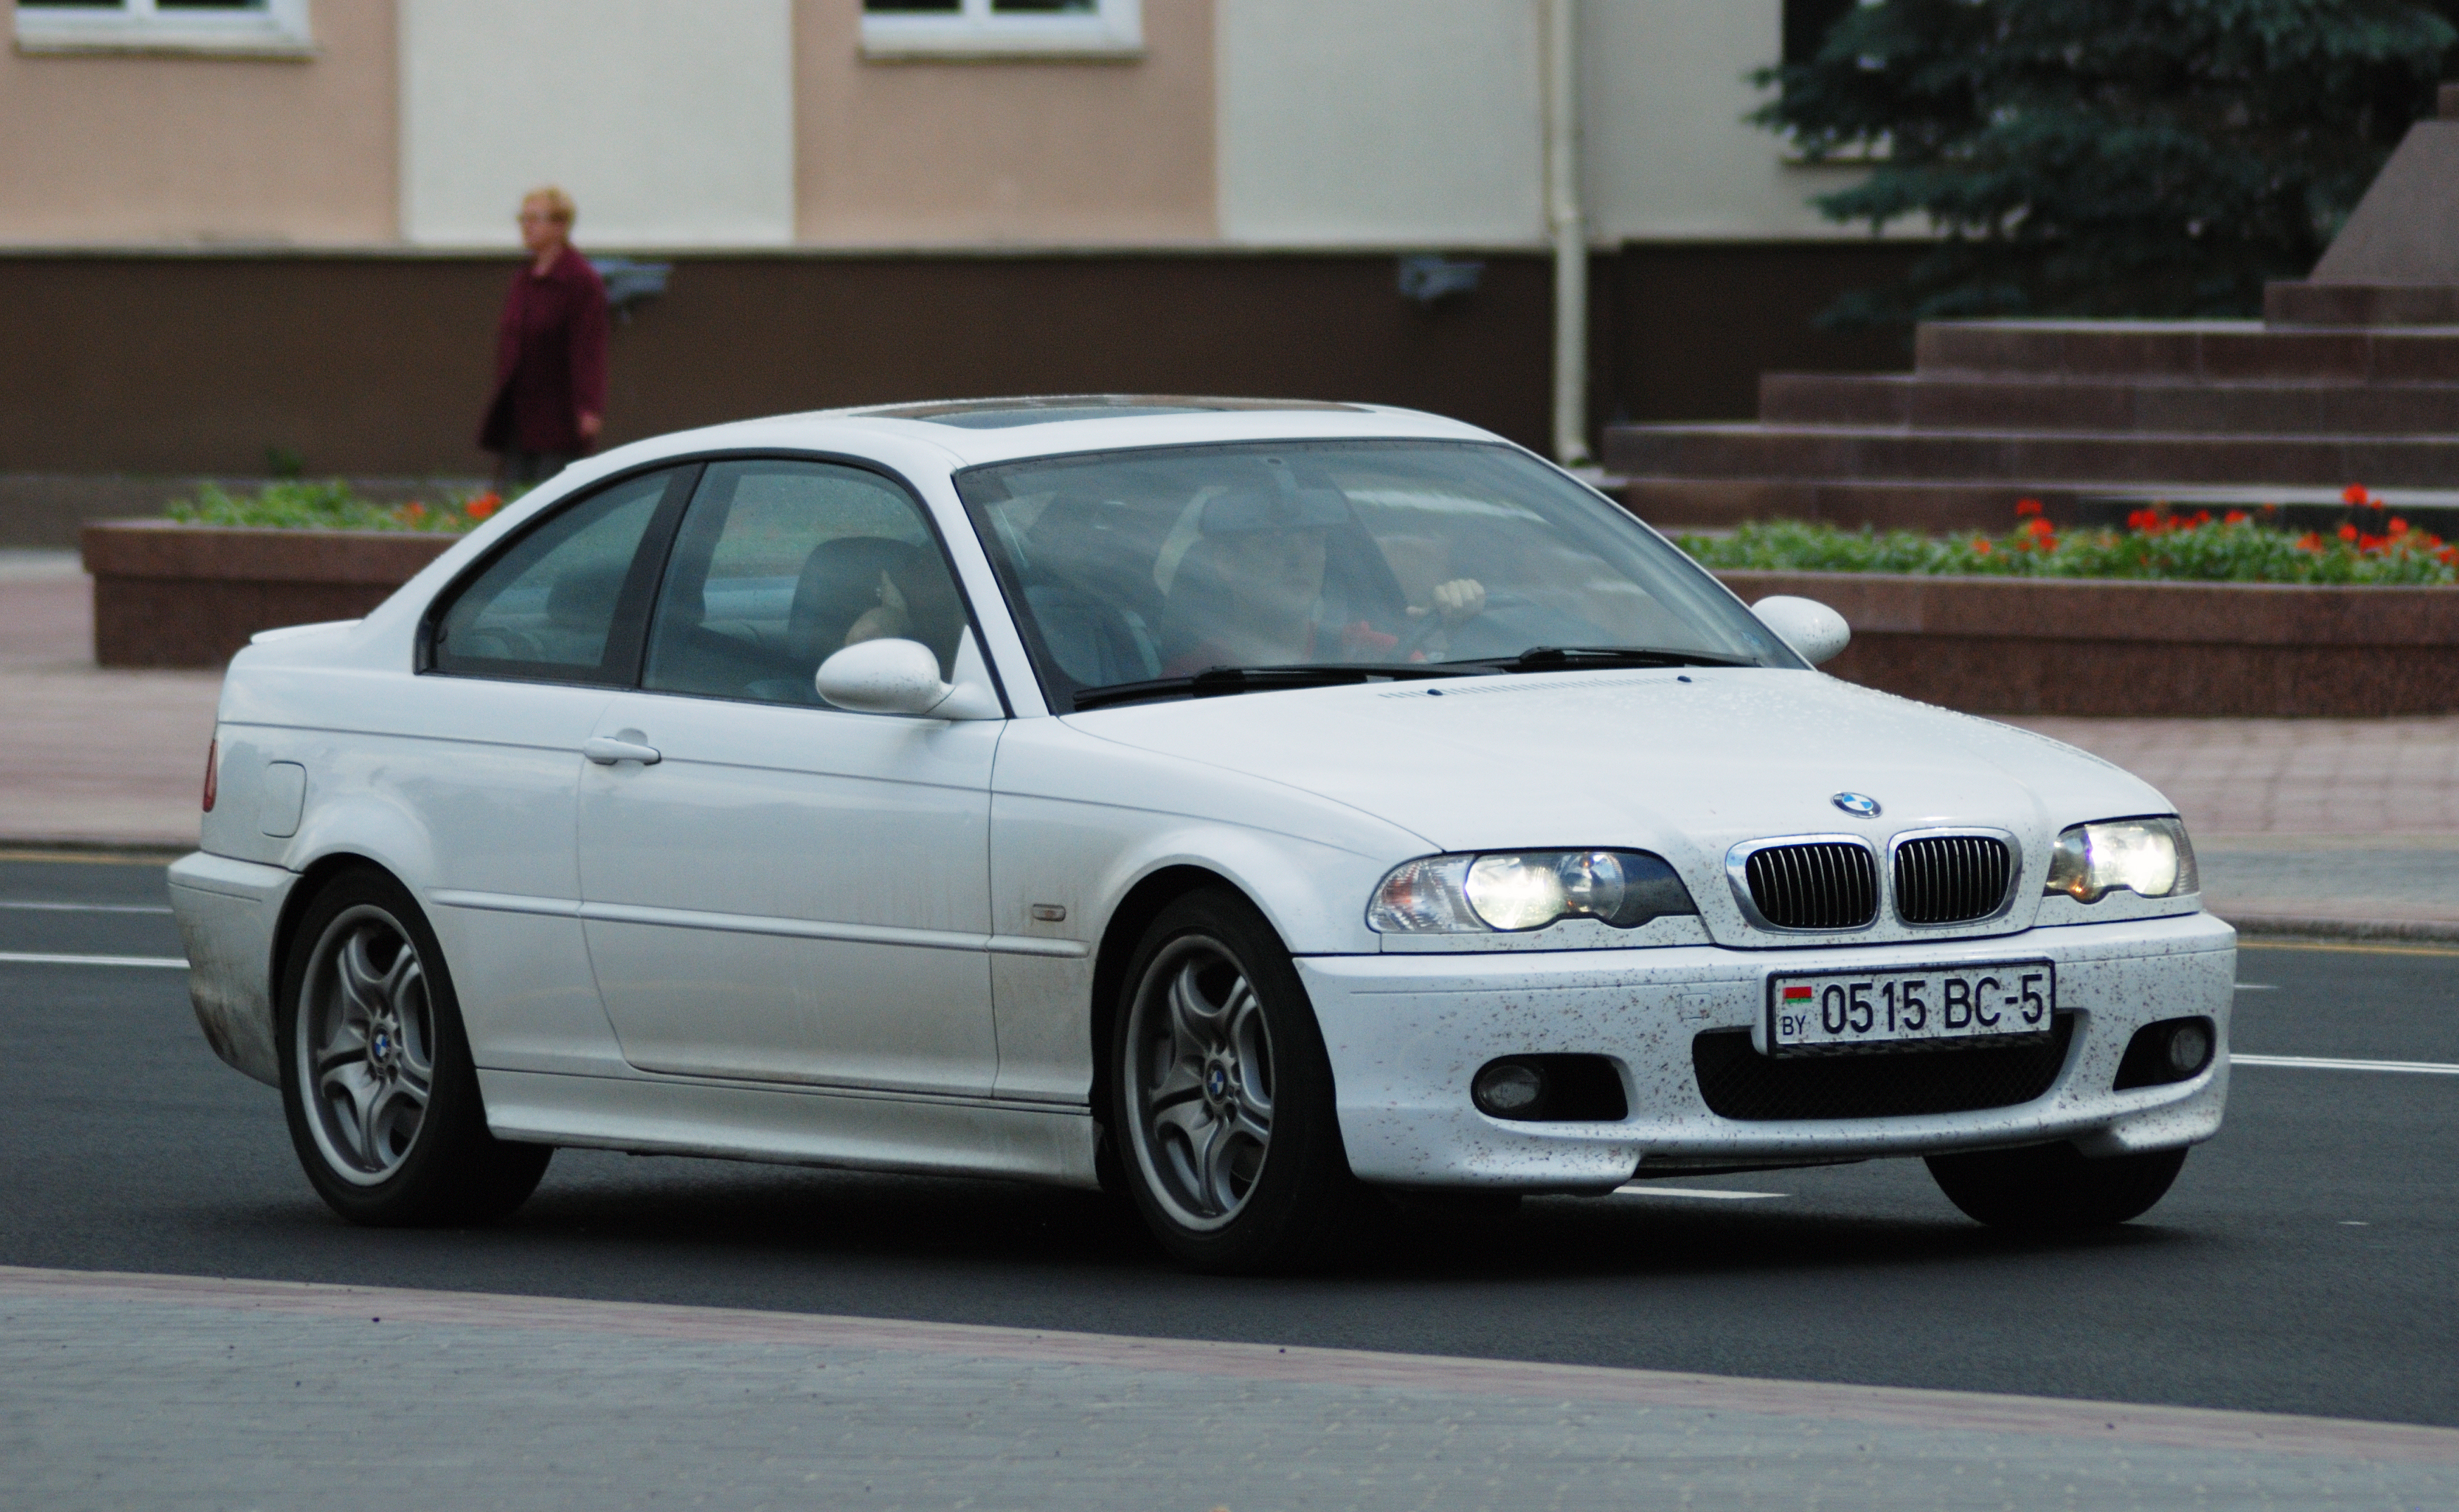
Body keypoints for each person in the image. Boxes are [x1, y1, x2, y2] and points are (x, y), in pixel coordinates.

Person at [478, 186, 609, 488]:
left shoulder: (580, 280)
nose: (526, 226)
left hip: (558, 414)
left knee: (548, 494)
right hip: (518, 412)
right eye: (523, 219)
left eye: (535, 219)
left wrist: (589, 407)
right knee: (509, 500)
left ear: (560, 226)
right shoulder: (524, 278)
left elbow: (589, 347)